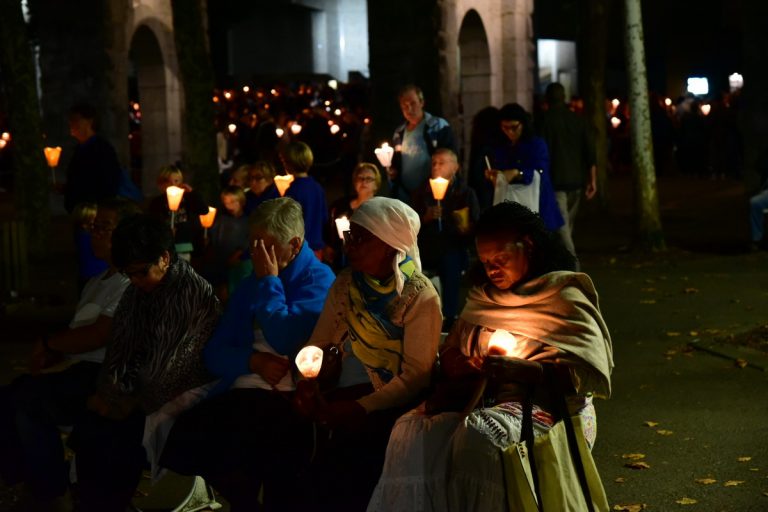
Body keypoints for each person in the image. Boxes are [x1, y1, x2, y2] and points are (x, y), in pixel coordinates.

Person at [368, 201, 613, 512]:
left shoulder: (563, 296)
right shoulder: (485, 297)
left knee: (480, 439)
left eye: (501, 259)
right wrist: (457, 361)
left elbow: (584, 377)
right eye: (485, 262)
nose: (492, 270)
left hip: (551, 408)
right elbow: (453, 348)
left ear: (529, 247)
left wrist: (526, 371)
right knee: (411, 432)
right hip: (480, 400)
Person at [160, 197, 336, 511]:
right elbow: (214, 352)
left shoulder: (319, 281)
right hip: (242, 389)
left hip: (289, 397)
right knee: (191, 434)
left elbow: (285, 339)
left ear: (294, 245)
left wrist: (269, 281)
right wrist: (252, 360)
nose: (256, 254)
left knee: (257, 447)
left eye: (264, 246)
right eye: (252, 244)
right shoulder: (249, 283)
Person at [294, 196, 443, 511]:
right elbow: (317, 342)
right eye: (350, 235)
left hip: (387, 403)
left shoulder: (419, 297)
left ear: (389, 245)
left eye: (360, 238)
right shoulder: (346, 283)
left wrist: (359, 407)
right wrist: (309, 378)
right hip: (341, 394)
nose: (350, 245)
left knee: (351, 463)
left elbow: (417, 375)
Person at [69, 214, 221, 512]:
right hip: (138, 390)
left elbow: (172, 364)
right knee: (90, 428)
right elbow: (120, 347)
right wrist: (111, 391)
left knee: (118, 438)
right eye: (130, 275)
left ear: (164, 258)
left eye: (140, 273)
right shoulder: (136, 291)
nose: (135, 281)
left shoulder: (190, 292)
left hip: (179, 391)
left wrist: (126, 400)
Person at [0, 198, 140, 509]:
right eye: (93, 227)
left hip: (102, 374)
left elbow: (100, 334)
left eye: (103, 227)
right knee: (10, 398)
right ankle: (22, 479)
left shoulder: (131, 282)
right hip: (75, 369)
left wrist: (51, 344)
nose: (95, 234)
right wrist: (52, 354)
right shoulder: (94, 283)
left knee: (28, 400)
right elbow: (75, 336)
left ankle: (47, 488)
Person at [413, 148, 479, 331]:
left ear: (455, 167)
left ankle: (450, 316)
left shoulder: (465, 193)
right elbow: (410, 222)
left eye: (441, 163)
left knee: (452, 261)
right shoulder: (421, 192)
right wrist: (425, 218)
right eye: (433, 163)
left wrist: (464, 226)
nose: (436, 167)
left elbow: (474, 226)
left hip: (453, 247)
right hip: (427, 247)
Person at [536, 82, 598, 269]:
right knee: (566, 227)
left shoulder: (543, 122)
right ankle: (566, 266)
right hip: (576, 181)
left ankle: (572, 267)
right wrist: (592, 179)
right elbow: (590, 152)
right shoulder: (577, 120)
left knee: (563, 229)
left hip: (556, 181)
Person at [478, 103, 564, 232]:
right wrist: (496, 175)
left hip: (537, 204)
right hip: (510, 207)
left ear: (523, 124)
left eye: (514, 127)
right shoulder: (501, 146)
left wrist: (519, 173)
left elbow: (541, 171)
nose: (509, 132)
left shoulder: (536, 144)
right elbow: (501, 170)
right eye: (505, 127)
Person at [389, 84, 456, 205]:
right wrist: (392, 171)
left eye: (413, 103)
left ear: (421, 102)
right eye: (405, 106)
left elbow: (450, 156)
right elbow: (396, 161)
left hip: (430, 194)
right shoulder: (399, 133)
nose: (409, 109)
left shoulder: (438, 126)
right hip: (404, 195)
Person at [64, 103, 123, 214]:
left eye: (75, 119)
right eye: (70, 119)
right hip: (81, 211)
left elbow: (107, 182)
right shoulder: (80, 149)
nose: (71, 123)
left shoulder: (102, 149)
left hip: (95, 212)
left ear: (89, 122)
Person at [324, 162, 382, 270]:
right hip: (342, 261)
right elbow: (330, 230)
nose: (364, 181)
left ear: (376, 184)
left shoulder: (380, 209)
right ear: (354, 182)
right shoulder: (340, 205)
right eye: (360, 178)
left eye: (369, 179)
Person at [147, 164, 208, 261]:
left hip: (183, 246)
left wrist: (192, 193)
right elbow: (152, 224)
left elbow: (204, 210)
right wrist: (166, 231)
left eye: (176, 181)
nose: (173, 185)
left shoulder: (187, 199)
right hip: (164, 248)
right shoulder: (157, 203)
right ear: (160, 184)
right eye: (168, 181)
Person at [203, 185, 251, 301]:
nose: (229, 205)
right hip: (219, 263)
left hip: (238, 265)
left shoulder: (248, 221)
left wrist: (239, 254)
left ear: (241, 201)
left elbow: (248, 241)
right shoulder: (221, 219)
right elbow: (213, 237)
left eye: (233, 201)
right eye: (226, 202)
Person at [281, 141, 328, 256]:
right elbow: (324, 217)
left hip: (299, 249)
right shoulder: (317, 187)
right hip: (316, 247)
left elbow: (287, 222)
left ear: (289, 163)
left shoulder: (293, 191)